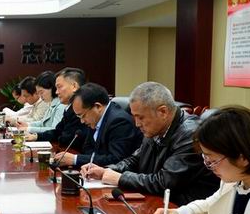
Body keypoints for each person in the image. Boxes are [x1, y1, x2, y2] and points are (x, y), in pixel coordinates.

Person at [81, 81, 218, 205]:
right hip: (156, 201)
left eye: (140, 117)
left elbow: (165, 182)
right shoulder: (155, 128)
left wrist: (121, 178)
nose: (137, 124)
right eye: (134, 117)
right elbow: (135, 159)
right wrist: (106, 170)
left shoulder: (191, 134)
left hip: (183, 210)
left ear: (163, 112)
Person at [54, 83, 142, 168]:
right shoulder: (95, 118)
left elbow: (116, 159)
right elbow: (87, 148)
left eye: (83, 116)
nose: (82, 121)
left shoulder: (119, 121)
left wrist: (75, 159)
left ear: (98, 106)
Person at [25, 67, 87, 151]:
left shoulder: (83, 108)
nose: (56, 92)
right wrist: (36, 136)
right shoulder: (69, 108)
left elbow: (66, 139)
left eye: (59, 87)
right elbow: (57, 131)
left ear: (74, 86)